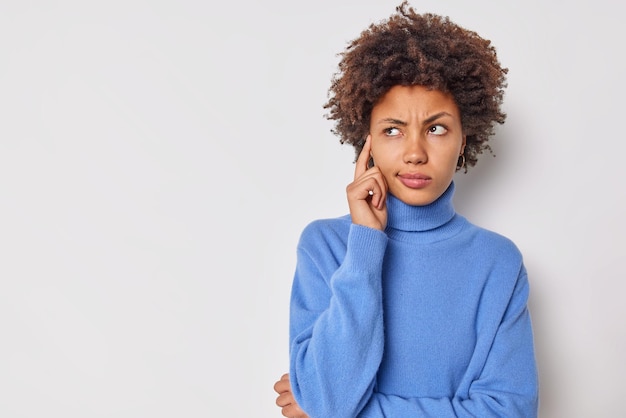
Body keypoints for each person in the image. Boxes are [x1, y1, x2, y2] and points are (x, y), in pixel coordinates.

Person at [273, 2, 539, 417]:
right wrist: (364, 245)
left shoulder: (497, 263)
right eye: (393, 130)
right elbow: (329, 399)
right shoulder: (325, 246)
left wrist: (357, 413)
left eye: (436, 128)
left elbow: (509, 412)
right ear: (369, 143)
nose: (415, 153)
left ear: (464, 140)